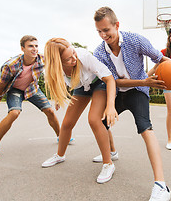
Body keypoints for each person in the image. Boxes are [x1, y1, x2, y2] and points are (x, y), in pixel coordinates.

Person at [93, 6, 171, 201]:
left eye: (106, 30)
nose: (103, 35)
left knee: (145, 128)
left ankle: (161, 185)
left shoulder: (136, 41)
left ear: (117, 25)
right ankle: (110, 156)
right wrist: (144, 80)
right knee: (101, 123)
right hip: (119, 92)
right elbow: (113, 81)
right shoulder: (99, 52)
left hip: (138, 92)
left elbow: (160, 58)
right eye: (99, 31)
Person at [41, 38, 119, 184]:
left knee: (94, 120)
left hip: (99, 83)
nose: (74, 58)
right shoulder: (52, 69)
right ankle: (60, 155)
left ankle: (108, 164)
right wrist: (58, 98)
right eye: (68, 58)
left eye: (73, 53)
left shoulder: (83, 56)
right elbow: (60, 82)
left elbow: (109, 79)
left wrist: (110, 106)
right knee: (67, 123)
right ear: (58, 63)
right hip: (81, 86)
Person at [0, 35, 61, 160]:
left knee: (50, 111)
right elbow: (1, 85)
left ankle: (61, 137)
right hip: (16, 90)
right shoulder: (11, 65)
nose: (34, 49)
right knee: (14, 113)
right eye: (30, 46)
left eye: (36, 46)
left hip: (32, 89)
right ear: (22, 48)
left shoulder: (42, 60)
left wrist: (57, 97)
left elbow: (53, 77)